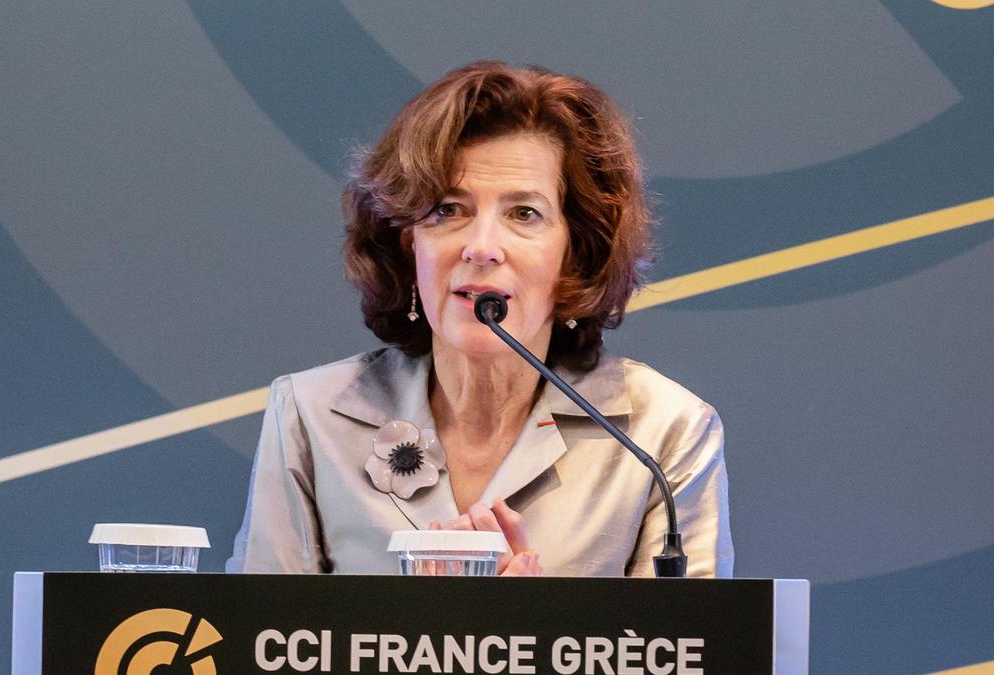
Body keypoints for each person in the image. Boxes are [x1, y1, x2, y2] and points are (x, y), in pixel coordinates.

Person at [227, 61, 732, 577]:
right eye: (448, 210)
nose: (482, 247)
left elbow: (692, 632)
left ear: (575, 251)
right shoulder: (312, 417)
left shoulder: (661, 433)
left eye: (524, 214)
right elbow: (258, 627)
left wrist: (522, 625)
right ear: (407, 242)